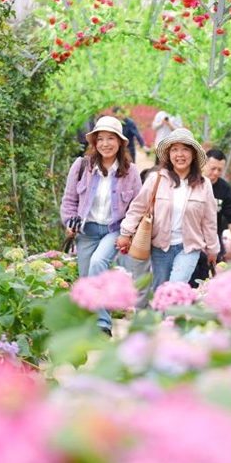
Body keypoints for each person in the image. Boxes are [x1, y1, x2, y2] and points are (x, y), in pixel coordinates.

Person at [60, 116, 142, 335]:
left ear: (120, 142)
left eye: (111, 138)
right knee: (87, 279)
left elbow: (138, 206)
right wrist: (69, 223)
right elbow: (69, 201)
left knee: (98, 263)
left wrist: (127, 232)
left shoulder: (131, 171)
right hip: (86, 230)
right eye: (101, 139)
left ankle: (102, 324)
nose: (106, 143)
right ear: (94, 143)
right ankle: (89, 323)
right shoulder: (81, 166)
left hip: (113, 230)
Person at [116, 128, 219, 293]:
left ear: (193, 154)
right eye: (175, 149)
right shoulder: (156, 179)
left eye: (185, 149)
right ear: (169, 154)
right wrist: (125, 232)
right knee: (160, 290)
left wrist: (213, 249)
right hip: (160, 246)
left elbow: (209, 220)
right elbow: (138, 207)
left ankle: (169, 318)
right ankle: (161, 319)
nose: (180, 154)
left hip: (189, 247)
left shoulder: (203, 184)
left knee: (175, 288)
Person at [189, 148, 231, 287]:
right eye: (213, 168)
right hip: (189, 241)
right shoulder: (190, 183)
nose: (216, 173)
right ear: (203, 164)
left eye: (220, 169)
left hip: (212, 243)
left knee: (208, 282)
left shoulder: (225, 189)